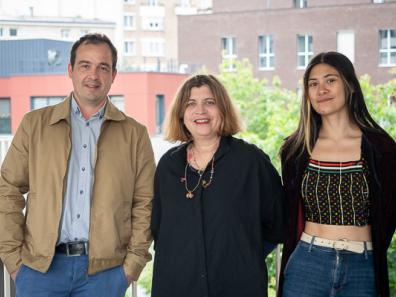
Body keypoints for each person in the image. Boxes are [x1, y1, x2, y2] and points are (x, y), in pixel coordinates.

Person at [0, 33, 156, 297]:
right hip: (39, 272)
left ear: (113, 74)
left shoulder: (135, 134)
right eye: (85, 65)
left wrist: (132, 266)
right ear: (70, 70)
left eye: (102, 67)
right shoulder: (34, 125)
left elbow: (146, 202)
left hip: (105, 275)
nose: (93, 75)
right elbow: (8, 190)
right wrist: (13, 258)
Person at [150, 74, 285, 297]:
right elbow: (159, 230)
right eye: (191, 103)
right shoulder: (168, 166)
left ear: (223, 109)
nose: (200, 111)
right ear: (181, 114)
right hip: (177, 286)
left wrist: (241, 253)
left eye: (209, 103)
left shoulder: (251, 162)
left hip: (237, 286)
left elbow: (278, 223)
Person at [279, 51, 396, 297]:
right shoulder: (296, 150)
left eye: (330, 80)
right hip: (307, 264)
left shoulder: (381, 148)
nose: (321, 89)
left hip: (363, 267)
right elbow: (288, 214)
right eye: (313, 84)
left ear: (350, 86)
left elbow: (389, 214)